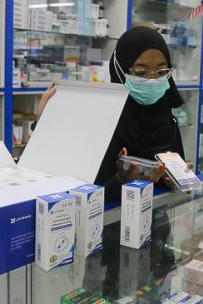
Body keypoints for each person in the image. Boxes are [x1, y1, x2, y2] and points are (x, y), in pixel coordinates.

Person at [36, 26, 188, 199]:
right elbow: (76, 195)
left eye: (161, 71)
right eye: (140, 72)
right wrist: (120, 180)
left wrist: (174, 180)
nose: (152, 80)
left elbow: (172, 177)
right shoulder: (98, 120)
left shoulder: (167, 120)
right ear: (120, 70)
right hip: (108, 223)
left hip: (157, 221)